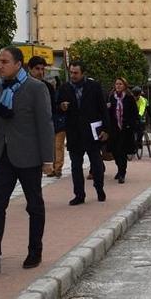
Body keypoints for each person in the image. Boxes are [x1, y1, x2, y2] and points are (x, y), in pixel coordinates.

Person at [0, 47, 54, 275]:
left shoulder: (36, 88)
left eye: (4, 61)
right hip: (3, 157)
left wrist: (47, 159)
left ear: (18, 64)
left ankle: (35, 250)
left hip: (30, 157)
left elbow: (45, 124)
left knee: (34, 206)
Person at [57, 61, 108, 205]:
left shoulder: (94, 87)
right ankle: (79, 194)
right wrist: (61, 107)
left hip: (92, 132)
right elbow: (57, 107)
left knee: (97, 164)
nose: (73, 75)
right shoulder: (65, 88)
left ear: (82, 73)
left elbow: (103, 109)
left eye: (76, 73)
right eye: (71, 72)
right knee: (75, 166)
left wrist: (105, 129)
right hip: (74, 133)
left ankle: (99, 188)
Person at [28, 56, 66, 178]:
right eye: (37, 69)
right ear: (30, 69)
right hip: (29, 129)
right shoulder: (22, 86)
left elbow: (53, 107)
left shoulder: (47, 86)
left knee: (55, 148)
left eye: (42, 69)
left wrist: (60, 107)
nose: (40, 72)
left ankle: (56, 169)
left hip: (47, 125)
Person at [106, 78, 139, 184]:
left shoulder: (129, 98)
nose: (118, 86)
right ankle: (119, 168)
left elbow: (134, 113)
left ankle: (122, 173)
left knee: (122, 151)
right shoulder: (111, 97)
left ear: (125, 85)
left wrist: (131, 125)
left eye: (120, 84)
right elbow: (107, 112)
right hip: (114, 128)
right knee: (115, 151)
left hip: (125, 129)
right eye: (116, 84)